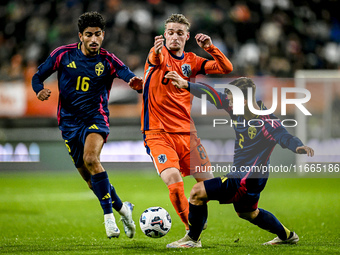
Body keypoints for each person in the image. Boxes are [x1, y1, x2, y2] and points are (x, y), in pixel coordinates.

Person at [164, 73, 314, 248]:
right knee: (248, 213)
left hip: (245, 179)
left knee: (197, 192)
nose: (228, 103)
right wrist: (186, 84)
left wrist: (298, 146)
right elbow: (210, 94)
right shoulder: (237, 108)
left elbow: (283, 136)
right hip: (255, 178)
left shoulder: (266, 121)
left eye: (231, 100)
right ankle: (287, 236)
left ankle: (192, 239)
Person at [31, 11, 143, 239]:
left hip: (96, 118)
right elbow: (37, 76)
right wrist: (39, 90)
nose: (94, 39)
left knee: (92, 159)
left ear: (104, 35)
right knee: (93, 182)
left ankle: (109, 219)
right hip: (69, 124)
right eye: (89, 34)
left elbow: (126, 73)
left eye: (98, 34)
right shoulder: (63, 55)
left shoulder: (108, 60)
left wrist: (134, 82)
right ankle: (123, 209)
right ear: (80, 35)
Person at [141, 14, 233, 231]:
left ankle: (240, 192)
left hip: (187, 134)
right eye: (170, 32)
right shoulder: (159, 54)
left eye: (179, 33)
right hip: (158, 133)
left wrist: (211, 48)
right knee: (174, 182)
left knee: (208, 186)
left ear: (187, 36)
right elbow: (155, 57)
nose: (174, 37)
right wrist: (155, 50)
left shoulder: (192, 61)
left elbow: (226, 68)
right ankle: (191, 232)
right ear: (165, 35)